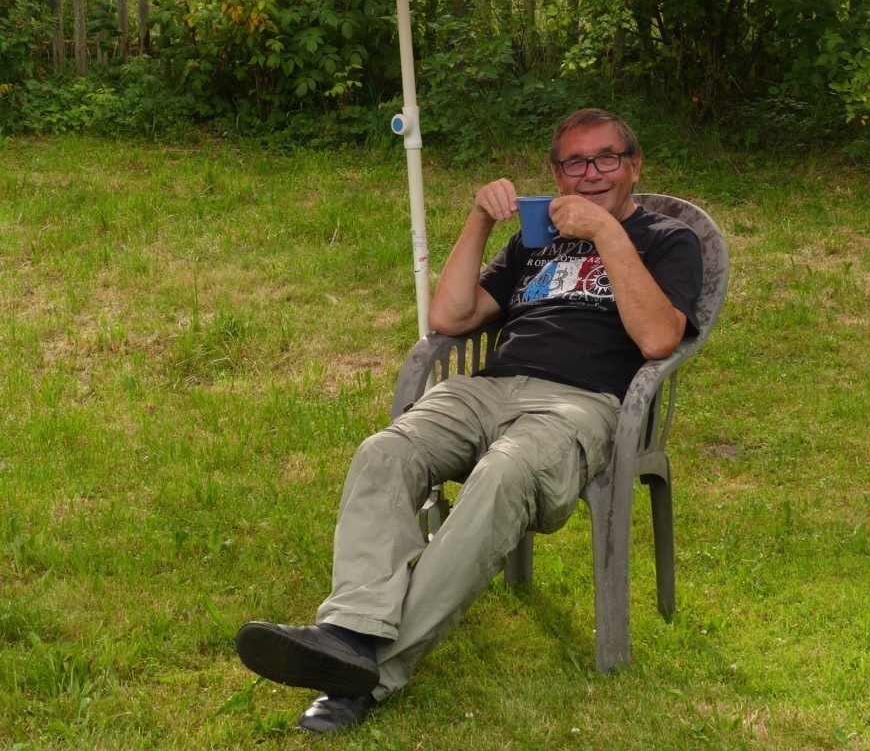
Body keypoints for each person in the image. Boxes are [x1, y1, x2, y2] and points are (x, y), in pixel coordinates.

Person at [236, 107, 703, 733]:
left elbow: (657, 337)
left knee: (503, 475)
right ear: (556, 175)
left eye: (606, 159)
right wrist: (480, 218)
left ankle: (364, 671)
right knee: (384, 452)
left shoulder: (669, 240)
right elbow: (450, 318)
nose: (591, 173)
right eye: (575, 162)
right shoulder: (535, 239)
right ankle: (350, 630)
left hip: (581, 402)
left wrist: (604, 232)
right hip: (489, 389)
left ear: (634, 166)